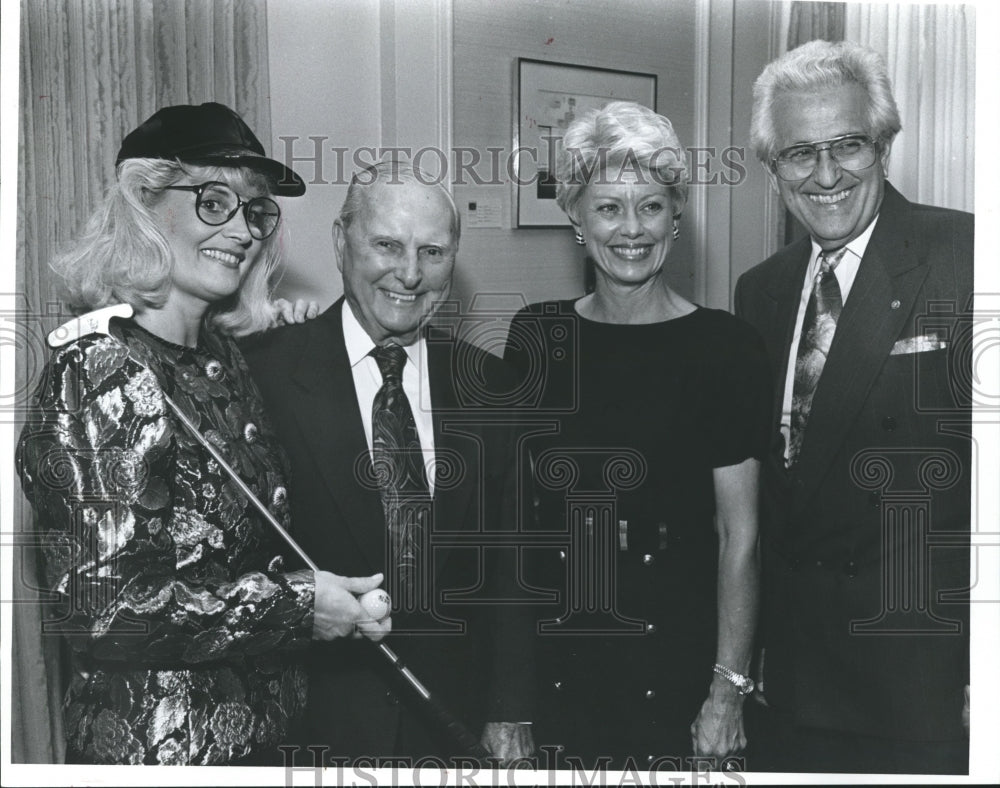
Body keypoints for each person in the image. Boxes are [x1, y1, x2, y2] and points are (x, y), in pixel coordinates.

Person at [16, 102, 389, 765]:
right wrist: (297, 608)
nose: (243, 231)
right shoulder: (102, 369)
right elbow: (104, 610)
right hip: (161, 752)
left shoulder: (226, 359)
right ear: (143, 201)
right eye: (214, 201)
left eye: (254, 211)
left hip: (266, 737)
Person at [502, 100, 772, 769]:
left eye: (651, 206)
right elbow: (510, 530)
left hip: (678, 675)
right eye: (608, 208)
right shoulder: (537, 336)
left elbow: (739, 537)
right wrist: (506, 698)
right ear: (574, 217)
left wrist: (727, 694)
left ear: (676, 216)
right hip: (558, 670)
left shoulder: (726, 347)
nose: (631, 229)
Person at [242, 160, 534, 766]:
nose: (410, 274)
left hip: (453, 728)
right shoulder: (263, 370)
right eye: (386, 245)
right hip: (312, 729)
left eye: (432, 251)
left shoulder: (491, 383)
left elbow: (510, 565)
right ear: (340, 241)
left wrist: (508, 711)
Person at [734, 39, 973, 774]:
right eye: (800, 154)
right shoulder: (761, 290)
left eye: (848, 145)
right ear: (774, 171)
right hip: (791, 688)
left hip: (922, 686)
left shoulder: (967, 256)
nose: (827, 174)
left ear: (886, 143)